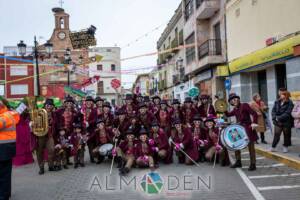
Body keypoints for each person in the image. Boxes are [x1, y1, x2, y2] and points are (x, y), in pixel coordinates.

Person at [225, 93, 258, 171]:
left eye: (236, 98)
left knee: (251, 147)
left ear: (238, 99)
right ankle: (238, 161)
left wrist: (254, 123)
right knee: (236, 145)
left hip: (247, 128)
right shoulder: (235, 109)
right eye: (232, 100)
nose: (234, 100)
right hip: (239, 129)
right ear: (231, 103)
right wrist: (222, 108)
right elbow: (228, 115)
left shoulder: (244, 105)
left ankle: (253, 164)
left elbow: (254, 114)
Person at [0, 97, 20, 200]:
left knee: (4, 175)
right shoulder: (8, 114)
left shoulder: (5, 116)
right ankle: (5, 194)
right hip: (6, 149)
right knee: (5, 174)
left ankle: (4, 196)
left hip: (3, 149)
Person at [35, 99, 56, 174]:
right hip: (41, 135)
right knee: (40, 152)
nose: (49, 107)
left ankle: (50, 166)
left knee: (52, 149)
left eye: (50, 105)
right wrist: (31, 123)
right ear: (45, 105)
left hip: (49, 135)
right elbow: (33, 120)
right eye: (47, 105)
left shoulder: (54, 114)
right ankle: (41, 168)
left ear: (52, 106)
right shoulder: (40, 113)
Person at [271, 88, 294, 153]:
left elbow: (288, 113)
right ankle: (273, 147)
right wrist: (274, 118)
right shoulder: (277, 101)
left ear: (285, 95)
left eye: (282, 94)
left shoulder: (290, 102)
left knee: (286, 135)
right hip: (278, 122)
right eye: (280, 94)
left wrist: (278, 118)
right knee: (276, 134)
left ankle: (285, 147)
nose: (280, 95)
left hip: (286, 122)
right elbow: (273, 111)